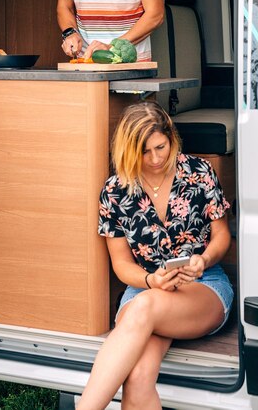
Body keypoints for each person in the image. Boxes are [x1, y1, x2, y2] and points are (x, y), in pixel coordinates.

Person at [77, 101, 234, 410]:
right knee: (137, 378)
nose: (156, 158)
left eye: (161, 147)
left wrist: (203, 260)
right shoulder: (115, 191)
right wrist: (151, 279)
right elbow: (122, 265)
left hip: (202, 285)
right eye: (144, 152)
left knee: (143, 306)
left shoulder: (198, 171)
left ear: (171, 138)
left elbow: (221, 236)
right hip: (144, 287)